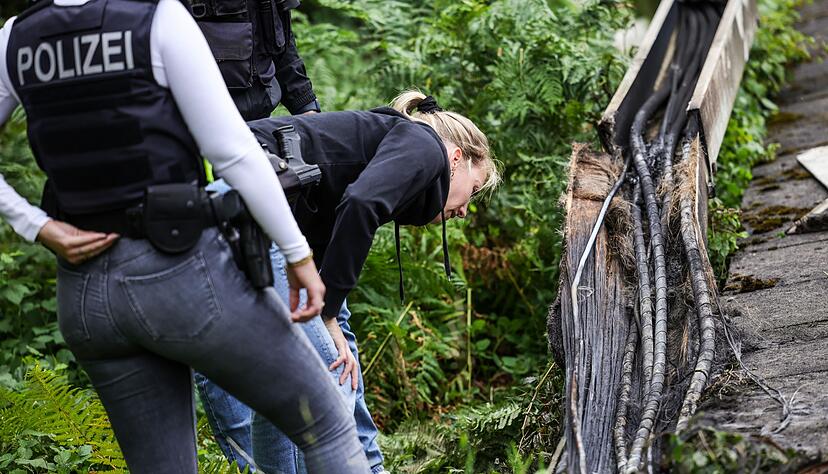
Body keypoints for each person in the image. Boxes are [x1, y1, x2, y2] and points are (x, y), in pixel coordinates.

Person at [0, 0, 370, 472]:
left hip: (85, 297)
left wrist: (37, 225)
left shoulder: (17, 35)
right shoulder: (157, 17)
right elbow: (232, 151)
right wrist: (298, 254)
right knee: (328, 424)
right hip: (178, 274)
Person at [200, 90, 502, 473]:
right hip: (240, 191)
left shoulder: (391, 145)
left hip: (237, 197)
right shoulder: (426, 146)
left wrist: (325, 305)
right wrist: (325, 315)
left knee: (287, 379)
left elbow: (327, 218)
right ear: (456, 159)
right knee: (323, 377)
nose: (463, 210)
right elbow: (361, 204)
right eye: (472, 192)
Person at [185, 0, 328, 468]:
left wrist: (308, 109)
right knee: (219, 301)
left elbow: (280, 43)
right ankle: (250, 459)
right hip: (200, 151)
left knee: (282, 296)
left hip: (264, 143)